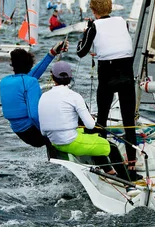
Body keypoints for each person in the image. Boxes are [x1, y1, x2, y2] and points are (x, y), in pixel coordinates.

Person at [38, 61, 139, 195]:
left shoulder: (43, 96)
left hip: (53, 142)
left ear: (52, 77)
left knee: (90, 137)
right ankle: (128, 185)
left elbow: (43, 130)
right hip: (69, 142)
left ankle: (109, 171)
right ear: (70, 76)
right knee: (112, 148)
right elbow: (90, 125)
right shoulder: (74, 96)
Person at [76, 0, 140, 181]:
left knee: (101, 120)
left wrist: (87, 31)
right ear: (110, 8)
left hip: (108, 74)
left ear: (93, 11)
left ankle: (106, 164)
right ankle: (132, 166)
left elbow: (81, 52)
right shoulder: (123, 21)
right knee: (129, 123)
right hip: (127, 72)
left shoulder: (93, 26)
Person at [0, 40, 68, 147]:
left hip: (19, 131)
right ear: (30, 64)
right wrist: (47, 134)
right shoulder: (30, 82)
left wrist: (52, 54)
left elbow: (30, 76)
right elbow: (34, 115)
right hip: (33, 131)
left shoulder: (5, 81)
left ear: (13, 65)